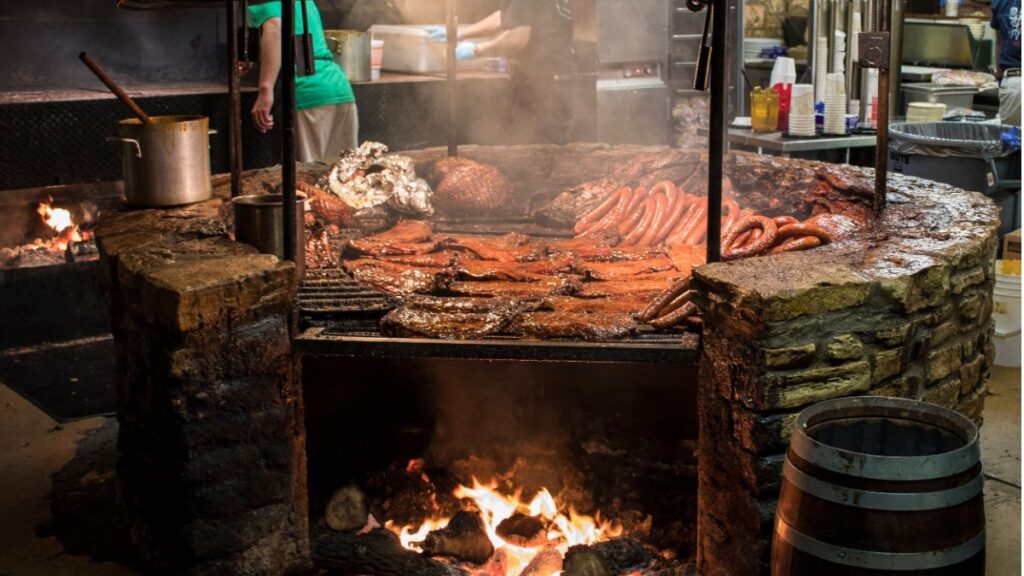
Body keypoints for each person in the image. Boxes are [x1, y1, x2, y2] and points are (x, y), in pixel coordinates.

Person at [426, 0, 575, 144]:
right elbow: (505, 17)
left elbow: (517, 38)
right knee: (532, 148)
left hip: (544, 87)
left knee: (541, 154)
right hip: (550, 81)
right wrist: (459, 34)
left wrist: (478, 49)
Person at [248, 0, 359, 162]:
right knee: (344, 174)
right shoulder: (305, 2)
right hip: (339, 88)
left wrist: (265, 90)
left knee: (303, 178)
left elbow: (276, 28)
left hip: (307, 92)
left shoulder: (265, 1)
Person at [991, 0, 1021, 124]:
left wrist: (999, 74)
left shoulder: (1000, 2)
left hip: (1013, 80)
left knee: (1011, 138)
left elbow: (999, 41)